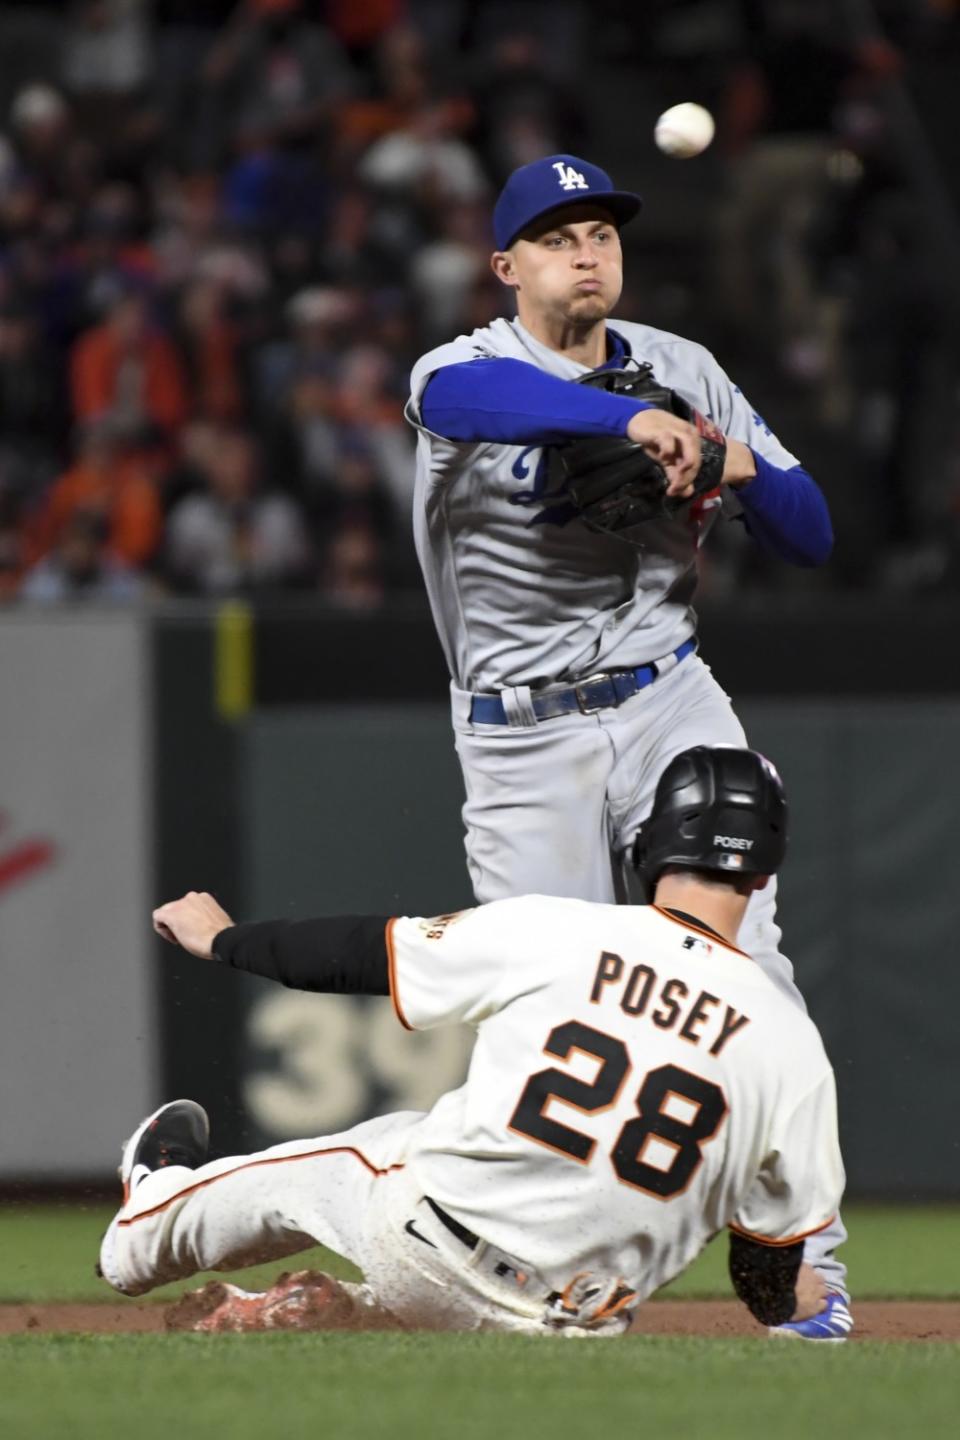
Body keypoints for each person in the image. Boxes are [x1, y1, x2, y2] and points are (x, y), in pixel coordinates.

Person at [403, 152, 848, 1316]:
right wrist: (628, 416)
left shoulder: (685, 364)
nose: (587, 248)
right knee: (546, 1011)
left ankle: (807, 1278)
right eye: (557, 235)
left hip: (667, 693)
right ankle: (555, 1274)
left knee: (751, 972)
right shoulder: (470, 368)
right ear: (507, 267)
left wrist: (736, 457)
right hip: (521, 731)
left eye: (601, 230)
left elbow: (812, 532)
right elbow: (458, 409)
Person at [98, 746, 850, 1342]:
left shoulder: (562, 929)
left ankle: (143, 1223)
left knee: (378, 1149)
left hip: (424, 1244)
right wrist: (786, 1300)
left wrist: (225, 939)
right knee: (459, 1220)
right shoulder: (793, 1049)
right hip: (571, 1327)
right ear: (761, 874)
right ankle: (321, 1314)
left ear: (650, 839)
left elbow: (362, 952)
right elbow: (764, 1277)